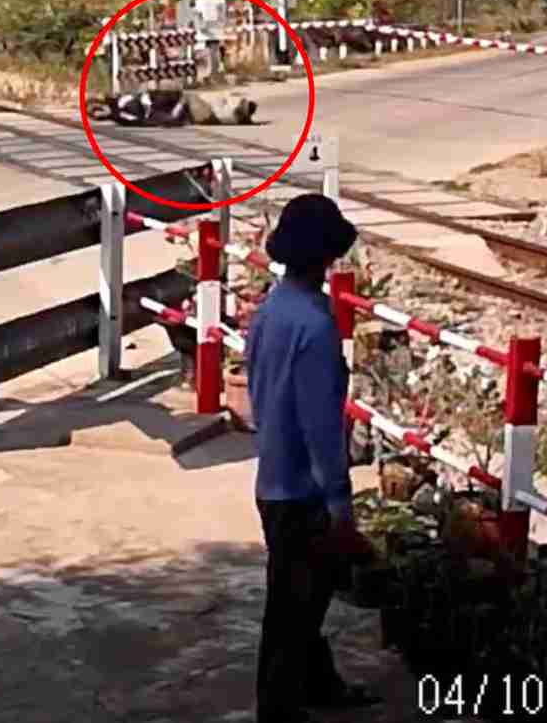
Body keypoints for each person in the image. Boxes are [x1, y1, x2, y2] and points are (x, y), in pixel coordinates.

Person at [245, 194, 379, 723]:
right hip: (305, 492)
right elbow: (323, 428)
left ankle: (319, 685)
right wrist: (340, 504)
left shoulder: (270, 312)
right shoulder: (317, 328)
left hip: (272, 478)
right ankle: (279, 708)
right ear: (326, 256)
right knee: (293, 610)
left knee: (301, 597)